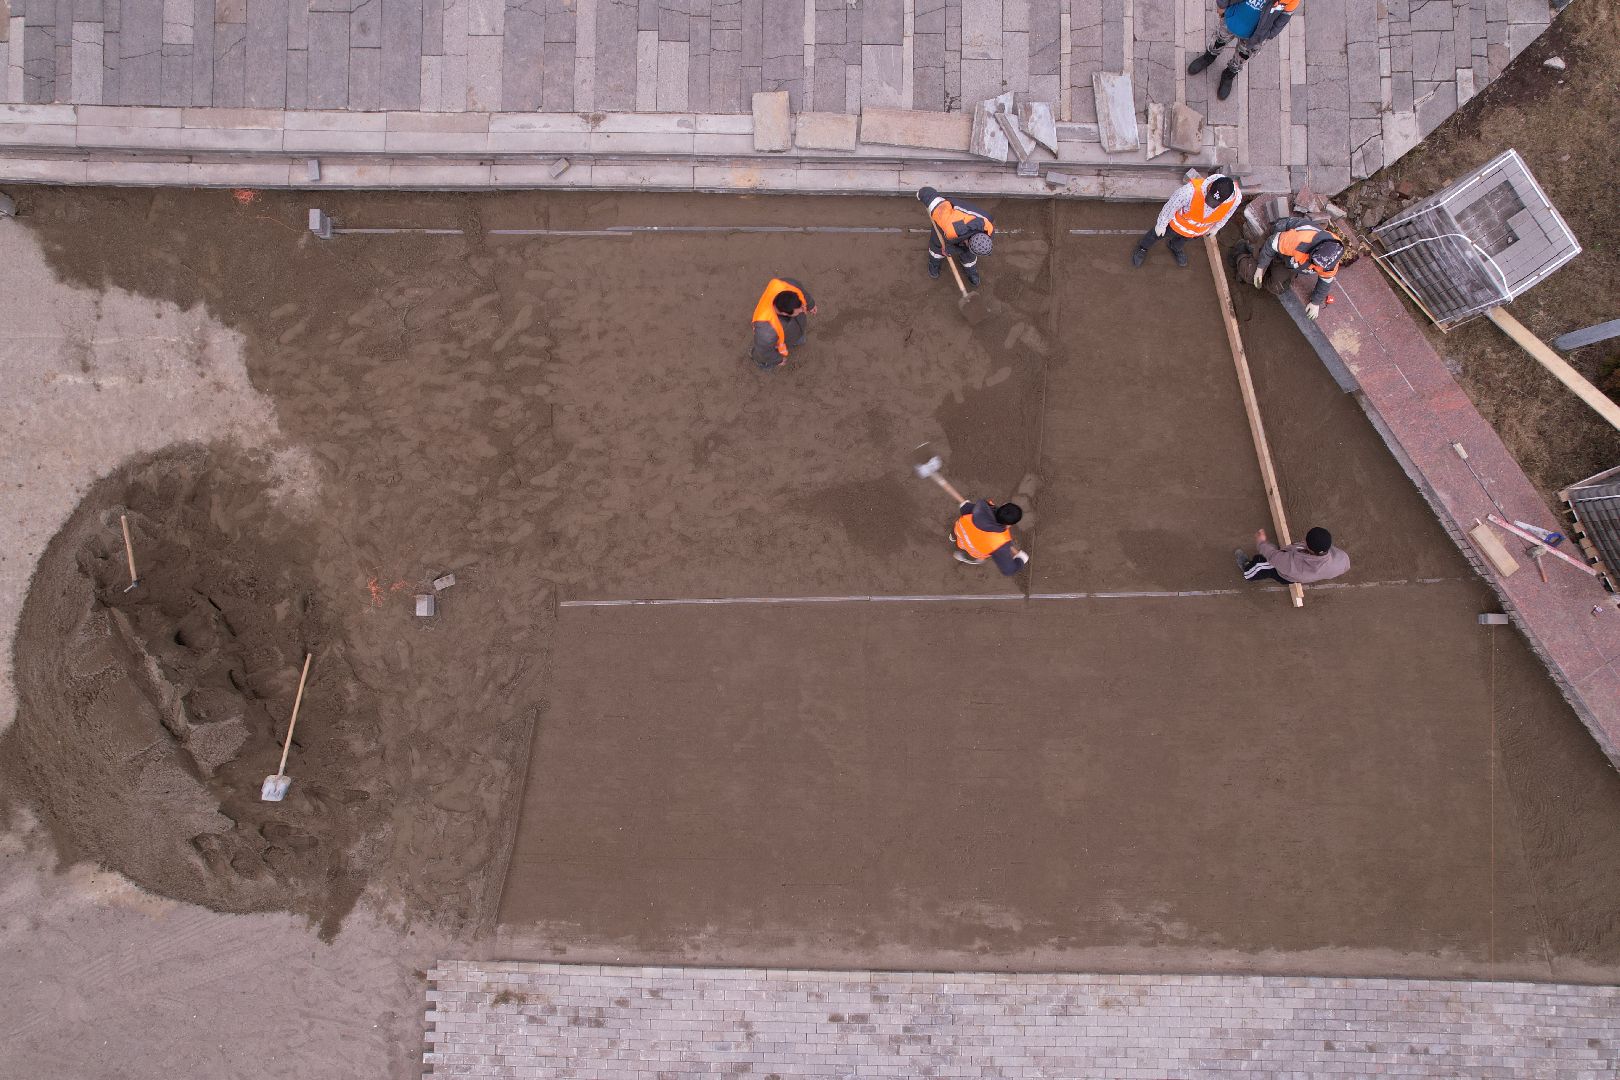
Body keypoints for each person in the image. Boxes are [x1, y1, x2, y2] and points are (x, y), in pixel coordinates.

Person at [1186, 0, 1302, 101]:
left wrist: (1269, 35)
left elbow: (1283, 18)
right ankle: (1209, 56)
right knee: (1219, 39)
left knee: (1242, 56)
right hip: (1231, 19)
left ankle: (1230, 73)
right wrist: (1221, 5)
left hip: (1254, 37)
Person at [1237, 215, 1345, 320]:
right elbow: (1271, 245)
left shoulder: (1330, 263)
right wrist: (1260, 268)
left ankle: (1264, 270)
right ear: (1315, 250)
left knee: (1279, 286)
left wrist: (1315, 302)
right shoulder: (1299, 240)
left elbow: (1325, 281)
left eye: (1319, 266)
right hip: (1275, 243)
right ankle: (1242, 252)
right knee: (1251, 273)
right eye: (1315, 262)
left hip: (1288, 261)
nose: (1317, 267)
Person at [1132, 173, 1242, 268]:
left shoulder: (1236, 198)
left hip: (1196, 232)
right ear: (1210, 186)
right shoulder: (1189, 191)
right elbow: (1171, 206)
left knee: (1181, 242)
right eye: (1210, 197)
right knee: (1155, 234)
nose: (1210, 203)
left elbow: (1228, 213)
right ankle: (1143, 248)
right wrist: (1161, 224)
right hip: (1174, 226)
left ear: (1226, 199)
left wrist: (1217, 227)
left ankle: (1174, 247)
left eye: (1215, 202)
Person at [918, 186, 995, 287]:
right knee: (937, 247)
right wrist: (921, 193)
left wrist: (952, 250)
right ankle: (934, 264)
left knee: (969, 255)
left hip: (963, 220)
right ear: (967, 242)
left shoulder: (989, 230)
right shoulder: (949, 225)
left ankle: (971, 271)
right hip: (946, 220)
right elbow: (933, 200)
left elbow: (964, 248)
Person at [1236, 526, 1349, 585]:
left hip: (1285, 574)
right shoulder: (1342, 560)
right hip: (1301, 574)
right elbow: (1346, 565)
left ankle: (1248, 572)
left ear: (1308, 546)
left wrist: (1262, 542)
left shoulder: (1293, 565)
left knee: (1263, 564)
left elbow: (1273, 556)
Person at [749, 277, 817, 370]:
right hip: (772, 343)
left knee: (797, 337)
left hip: (794, 330)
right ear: (785, 313)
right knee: (762, 356)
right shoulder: (766, 332)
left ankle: (797, 338)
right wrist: (777, 360)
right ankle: (762, 363)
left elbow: (803, 294)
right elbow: (764, 352)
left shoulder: (789, 285)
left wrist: (810, 304)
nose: (803, 310)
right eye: (799, 310)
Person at [952, 498, 1030, 576]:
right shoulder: (1000, 543)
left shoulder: (981, 508)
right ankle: (968, 558)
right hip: (973, 548)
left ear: (1003, 505)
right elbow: (1008, 570)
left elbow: (964, 508)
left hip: (960, 532)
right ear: (1009, 525)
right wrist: (1021, 559)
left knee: (958, 532)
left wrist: (965, 505)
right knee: (977, 557)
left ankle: (952, 537)